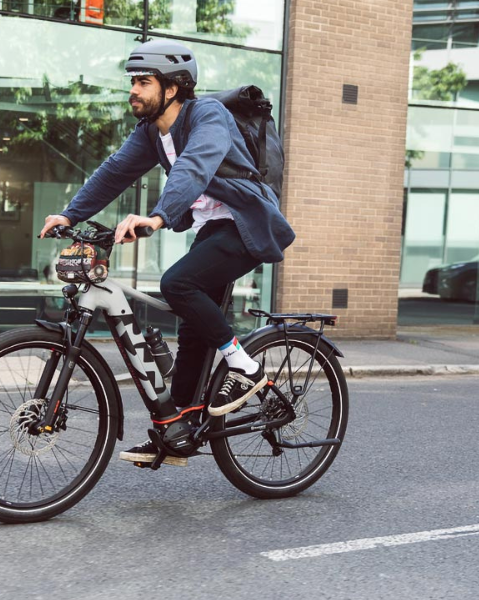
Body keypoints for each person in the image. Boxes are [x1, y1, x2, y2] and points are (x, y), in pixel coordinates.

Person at [38, 40, 296, 467]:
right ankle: (178, 433)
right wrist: (69, 214)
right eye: (132, 82)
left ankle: (244, 366)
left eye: (143, 82)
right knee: (193, 328)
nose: (133, 91)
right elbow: (113, 172)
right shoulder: (153, 134)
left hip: (248, 223)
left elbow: (196, 166)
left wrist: (157, 218)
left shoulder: (208, 115)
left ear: (173, 88)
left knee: (177, 283)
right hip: (215, 229)